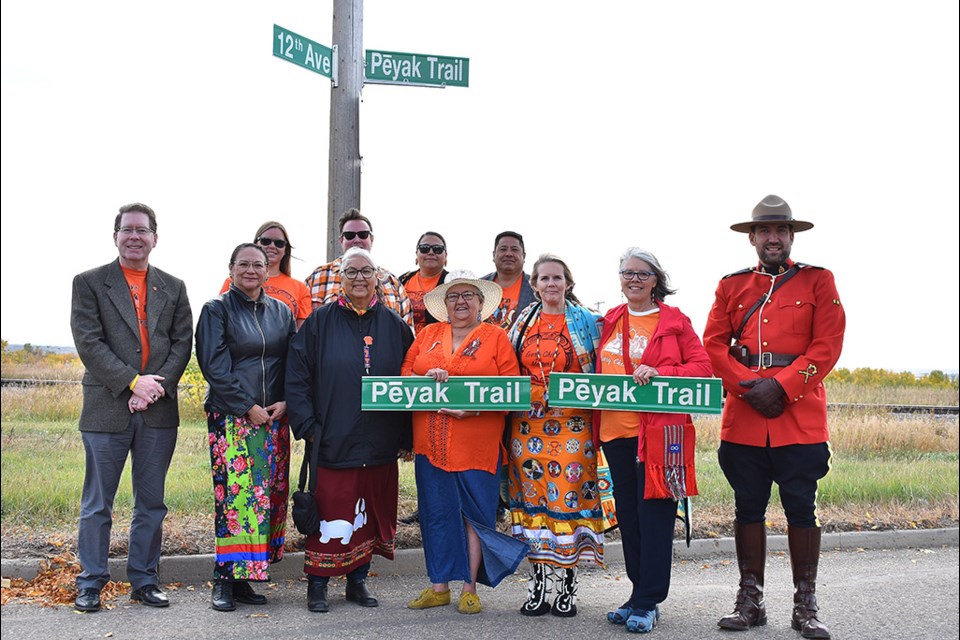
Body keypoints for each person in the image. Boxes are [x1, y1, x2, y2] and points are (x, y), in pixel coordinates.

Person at [703, 195, 845, 640]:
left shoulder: (819, 281)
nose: (773, 238)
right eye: (765, 231)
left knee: (801, 508)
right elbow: (713, 346)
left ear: (791, 236)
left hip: (798, 415)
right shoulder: (731, 286)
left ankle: (806, 604)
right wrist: (751, 387)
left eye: (781, 231)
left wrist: (781, 387)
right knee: (748, 506)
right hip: (745, 417)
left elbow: (828, 344)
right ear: (752, 237)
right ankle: (751, 600)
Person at [70, 203, 193, 612]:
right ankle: (91, 582)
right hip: (107, 408)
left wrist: (153, 388)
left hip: (157, 410)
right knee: (97, 503)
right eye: (128, 230)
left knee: (151, 502)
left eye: (143, 230)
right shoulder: (89, 283)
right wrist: (131, 382)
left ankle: (144, 579)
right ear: (116, 235)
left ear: (155, 238)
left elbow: (181, 343)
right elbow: (89, 342)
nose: (135, 236)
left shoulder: (173, 287)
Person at [286, 247, 414, 613]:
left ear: (378, 278)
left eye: (367, 271)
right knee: (330, 513)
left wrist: (405, 437)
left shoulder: (394, 325)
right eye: (352, 272)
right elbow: (297, 377)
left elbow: (409, 381)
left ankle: (358, 582)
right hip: (332, 436)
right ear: (339, 277)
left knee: (369, 512)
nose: (359, 278)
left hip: (379, 440)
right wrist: (308, 426)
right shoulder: (320, 322)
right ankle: (318, 585)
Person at [595, 248, 712, 633]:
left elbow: (702, 368)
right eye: (627, 273)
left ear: (656, 279)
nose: (633, 280)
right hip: (616, 433)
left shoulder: (675, 321)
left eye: (642, 274)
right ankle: (637, 593)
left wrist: (660, 371)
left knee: (656, 518)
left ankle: (649, 601)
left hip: (661, 437)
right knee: (629, 518)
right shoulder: (610, 319)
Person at [402, 271, 527, 615]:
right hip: (431, 443)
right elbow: (402, 377)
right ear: (444, 303)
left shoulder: (495, 337)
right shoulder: (428, 334)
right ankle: (439, 585)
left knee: (476, 516)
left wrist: (470, 411)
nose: (461, 302)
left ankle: (469, 588)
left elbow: (513, 392)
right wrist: (422, 377)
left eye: (468, 295)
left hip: (476, 443)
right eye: (454, 296)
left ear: (480, 303)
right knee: (436, 514)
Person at [197, 243, 297, 612]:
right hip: (232, 417)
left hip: (274, 418)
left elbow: (292, 362)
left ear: (268, 270)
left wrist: (285, 400)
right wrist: (247, 406)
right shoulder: (216, 310)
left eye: (258, 264)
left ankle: (245, 579)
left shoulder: (282, 312)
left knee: (266, 498)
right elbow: (214, 366)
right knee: (236, 500)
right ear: (231, 268)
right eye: (244, 264)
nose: (251, 270)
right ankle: (224, 579)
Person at [506, 254, 604, 618]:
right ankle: (538, 584)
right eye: (544, 278)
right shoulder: (521, 322)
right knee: (531, 503)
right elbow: (508, 367)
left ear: (568, 283)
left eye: (557, 278)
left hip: (572, 427)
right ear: (534, 285)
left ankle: (566, 585)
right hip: (526, 426)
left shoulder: (587, 322)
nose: (551, 284)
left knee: (565, 502)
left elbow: (605, 367)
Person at [304, 208, 414, 329]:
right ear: (341, 240)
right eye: (349, 235)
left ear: (371, 239)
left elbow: (407, 332)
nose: (356, 240)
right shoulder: (317, 277)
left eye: (363, 235)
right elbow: (306, 330)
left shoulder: (391, 282)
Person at [219, 221, 312, 329]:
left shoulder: (300, 288)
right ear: (255, 244)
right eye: (265, 241)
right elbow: (221, 319)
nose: (272, 246)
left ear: (286, 249)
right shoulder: (233, 282)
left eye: (279, 243)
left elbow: (302, 335)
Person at [482, 231, 535, 332]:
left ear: (524, 256)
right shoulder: (479, 286)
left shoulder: (538, 288)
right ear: (494, 255)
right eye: (503, 249)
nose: (509, 254)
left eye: (514, 249)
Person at [398, 231, 450, 334]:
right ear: (416, 254)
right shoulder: (403, 280)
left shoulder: (452, 283)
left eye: (437, 249)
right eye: (424, 248)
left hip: (438, 345)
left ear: (445, 256)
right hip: (403, 345)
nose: (431, 252)